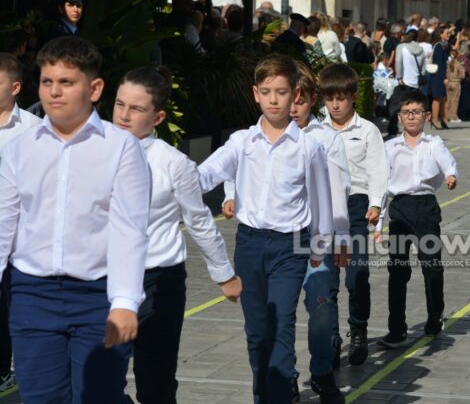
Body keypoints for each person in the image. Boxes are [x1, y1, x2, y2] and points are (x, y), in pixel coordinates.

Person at [0, 36, 151, 401]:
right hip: (31, 294)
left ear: (94, 88)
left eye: (66, 82)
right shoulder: (19, 149)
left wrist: (125, 302)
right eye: (47, 82)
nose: (54, 92)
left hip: (98, 295)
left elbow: (129, 231)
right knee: (40, 398)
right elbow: (3, 223)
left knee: (97, 395)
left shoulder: (121, 148)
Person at [198, 55, 333, 403]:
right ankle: (263, 396)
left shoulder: (309, 146)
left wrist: (319, 249)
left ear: (295, 95)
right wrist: (175, 179)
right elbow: (208, 173)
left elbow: (321, 199)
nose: (274, 100)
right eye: (267, 92)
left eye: (282, 92)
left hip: (291, 248)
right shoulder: (242, 141)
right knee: (257, 333)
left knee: (281, 327)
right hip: (250, 245)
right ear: (255, 94)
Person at [112, 67, 242, 403]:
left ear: (158, 117)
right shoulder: (92, 152)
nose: (124, 116)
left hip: (159, 280)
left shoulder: (173, 163)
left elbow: (198, 220)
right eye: (119, 104)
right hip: (104, 280)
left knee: (155, 382)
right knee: (103, 379)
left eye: (136, 109)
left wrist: (224, 274)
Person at [319, 64, 388, 367]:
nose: (335, 105)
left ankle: (358, 330)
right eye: (329, 98)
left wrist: (376, 204)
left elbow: (378, 170)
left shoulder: (367, 130)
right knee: (327, 281)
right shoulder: (315, 131)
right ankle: (332, 338)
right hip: (325, 211)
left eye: (341, 98)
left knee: (356, 275)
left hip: (357, 208)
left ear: (353, 96)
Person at [376, 90, 458, 348]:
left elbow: (447, 162)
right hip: (400, 209)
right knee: (398, 269)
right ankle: (396, 329)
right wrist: (378, 223)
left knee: (432, 267)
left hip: (426, 208)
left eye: (416, 112)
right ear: (399, 117)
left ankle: (435, 315)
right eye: (406, 112)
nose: (411, 117)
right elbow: (381, 186)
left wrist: (451, 175)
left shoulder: (434, 143)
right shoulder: (389, 147)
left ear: (426, 116)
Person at [0, 53, 41, 393]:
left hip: (16, 237)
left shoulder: (32, 130)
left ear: (15, 88)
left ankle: (7, 370)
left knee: (9, 307)